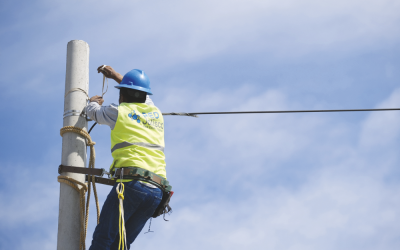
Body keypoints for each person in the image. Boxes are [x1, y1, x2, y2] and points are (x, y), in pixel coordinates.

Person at [87, 65, 167, 250]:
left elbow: (93, 113)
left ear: (122, 94)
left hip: (132, 184)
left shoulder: (118, 112)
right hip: (157, 191)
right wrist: (115, 75)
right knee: (121, 245)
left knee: (103, 239)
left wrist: (93, 102)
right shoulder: (155, 112)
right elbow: (142, 94)